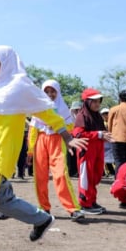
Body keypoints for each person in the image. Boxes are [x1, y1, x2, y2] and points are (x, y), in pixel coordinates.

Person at [0, 46, 87, 251]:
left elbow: (47, 113)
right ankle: (42, 219)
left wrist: (66, 136)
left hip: (1, 156)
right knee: (2, 201)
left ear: (6, 61)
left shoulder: (19, 87)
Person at [27, 79, 85, 221]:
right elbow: (33, 129)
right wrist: (30, 150)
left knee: (60, 174)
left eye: (53, 91)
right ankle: (44, 207)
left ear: (57, 92)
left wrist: (59, 128)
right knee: (40, 176)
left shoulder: (63, 108)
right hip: (40, 140)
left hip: (57, 140)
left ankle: (73, 209)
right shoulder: (38, 106)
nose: (50, 94)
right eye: (46, 91)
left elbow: (70, 128)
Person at [72, 88, 113, 214]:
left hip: (97, 150)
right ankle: (84, 203)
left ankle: (91, 200)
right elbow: (78, 134)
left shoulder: (97, 116)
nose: (97, 104)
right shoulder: (82, 115)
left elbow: (100, 133)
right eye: (94, 101)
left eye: (98, 101)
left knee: (96, 176)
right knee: (86, 177)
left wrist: (105, 136)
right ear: (87, 102)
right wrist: (99, 135)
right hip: (86, 150)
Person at [67, 101, 83, 177]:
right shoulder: (68, 116)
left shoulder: (83, 116)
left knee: (79, 154)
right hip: (70, 137)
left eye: (78, 109)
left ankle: (78, 171)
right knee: (70, 155)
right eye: (75, 109)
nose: (77, 111)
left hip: (79, 137)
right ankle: (71, 171)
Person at [100, 108, 116, 177]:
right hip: (104, 142)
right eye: (104, 114)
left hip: (111, 141)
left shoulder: (113, 122)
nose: (105, 115)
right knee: (104, 157)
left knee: (113, 157)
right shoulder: (100, 123)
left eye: (107, 113)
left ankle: (113, 171)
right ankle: (106, 172)